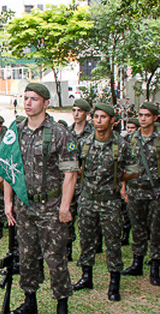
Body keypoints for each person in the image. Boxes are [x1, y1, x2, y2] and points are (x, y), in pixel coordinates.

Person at [3, 83, 79, 314]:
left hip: (51, 206)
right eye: (25, 98)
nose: (28, 103)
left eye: (33, 99)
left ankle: (62, 309)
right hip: (26, 206)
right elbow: (8, 168)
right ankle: (30, 302)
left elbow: (70, 173)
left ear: (46, 103)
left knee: (55, 258)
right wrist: (8, 202)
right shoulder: (16, 131)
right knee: (26, 257)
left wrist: (65, 208)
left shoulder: (59, 133)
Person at [71, 103, 139, 301]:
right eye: (96, 117)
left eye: (103, 117)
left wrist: (116, 179)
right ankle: (86, 277)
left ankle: (114, 283)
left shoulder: (122, 144)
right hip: (87, 200)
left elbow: (134, 170)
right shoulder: (83, 142)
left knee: (112, 243)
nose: (98, 120)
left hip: (110, 202)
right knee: (86, 239)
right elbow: (75, 165)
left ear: (112, 121)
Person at [121, 102, 160, 286]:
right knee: (137, 229)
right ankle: (137, 263)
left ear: (155, 117)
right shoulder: (130, 138)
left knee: (157, 231)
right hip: (135, 192)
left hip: (156, 193)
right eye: (140, 115)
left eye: (147, 115)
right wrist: (124, 189)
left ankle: (155, 266)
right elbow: (123, 166)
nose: (143, 118)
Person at [68, 99, 95, 260]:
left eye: (80, 111)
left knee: (87, 222)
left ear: (86, 113)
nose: (76, 114)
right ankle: (68, 248)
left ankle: (88, 252)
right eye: (74, 110)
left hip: (87, 182)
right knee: (68, 217)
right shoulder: (67, 133)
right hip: (70, 182)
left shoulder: (93, 133)